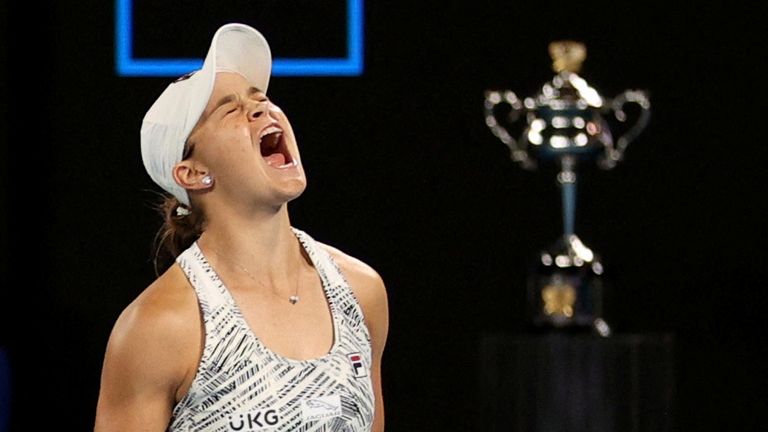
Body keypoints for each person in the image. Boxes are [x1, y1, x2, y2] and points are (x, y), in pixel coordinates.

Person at [94, 23, 389, 432]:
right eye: (229, 109)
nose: (261, 110)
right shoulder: (160, 326)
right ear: (194, 173)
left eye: (262, 99)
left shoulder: (361, 291)